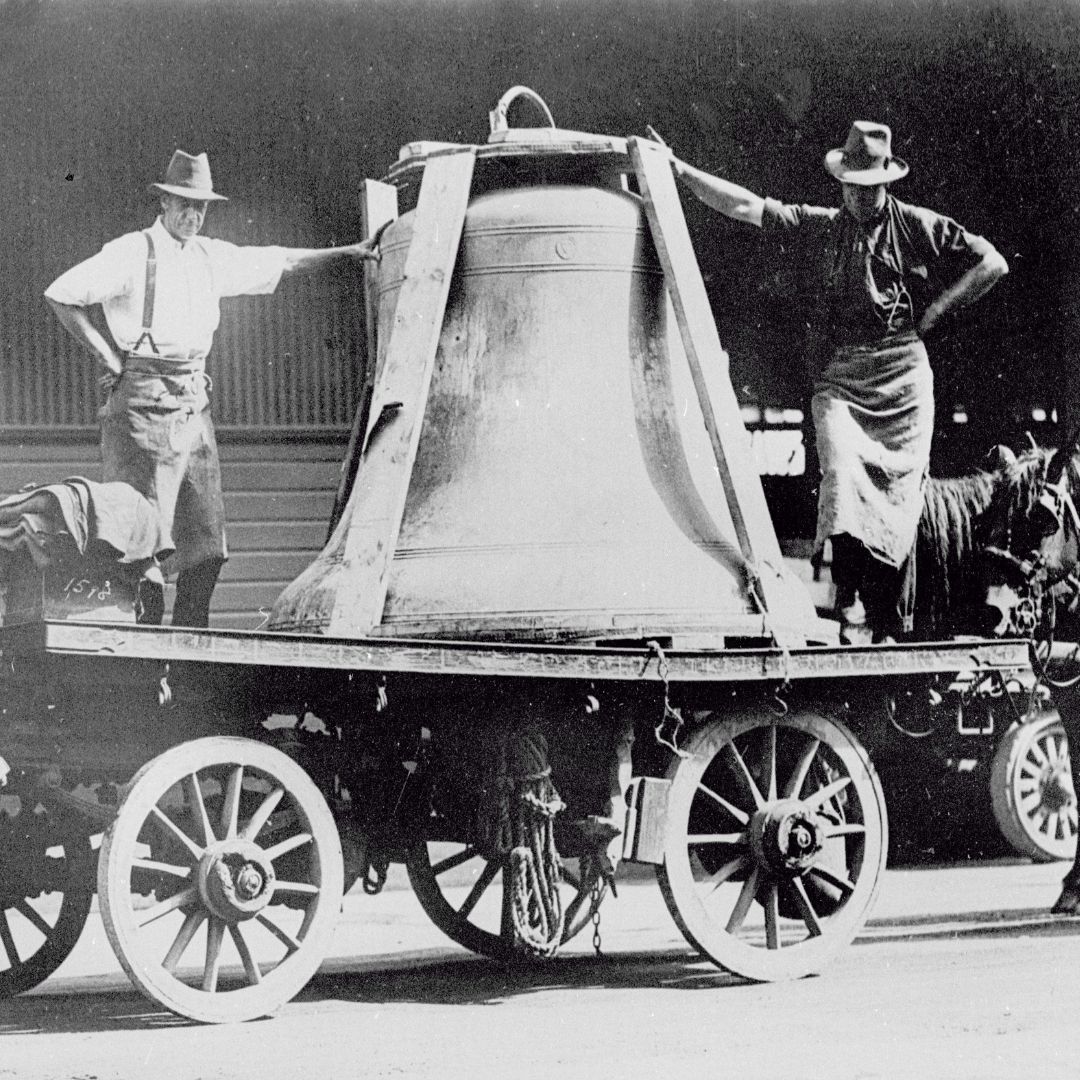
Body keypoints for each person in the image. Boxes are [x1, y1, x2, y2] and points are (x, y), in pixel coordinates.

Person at [667, 121, 1009, 641]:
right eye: (853, 185)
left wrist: (937, 310)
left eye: (871, 187)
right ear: (842, 182)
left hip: (902, 378)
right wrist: (680, 171)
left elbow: (993, 262)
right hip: (842, 378)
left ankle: (884, 615)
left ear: (886, 183)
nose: (861, 196)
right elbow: (746, 207)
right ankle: (847, 603)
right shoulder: (823, 226)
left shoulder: (916, 224)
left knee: (899, 498)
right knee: (843, 473)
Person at [45, 149, 379, 627]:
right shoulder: (131, 251)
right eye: (183, 203)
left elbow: (281, 261)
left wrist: (351, 251)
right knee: (141, 544)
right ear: (162, 203)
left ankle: (189, 657)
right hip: (142, 404)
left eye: (200, 206)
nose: (192, 215)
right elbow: (62, 294)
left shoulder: (209, 257)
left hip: (192, 404)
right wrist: (110, 359)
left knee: (205, 544)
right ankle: (144, 661)